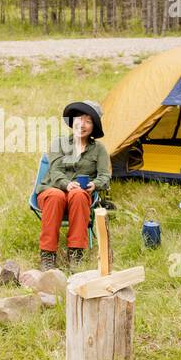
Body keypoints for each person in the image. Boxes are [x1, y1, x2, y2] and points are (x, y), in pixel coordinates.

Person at [35, 100, 111, 271]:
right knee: (56, 195)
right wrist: (67, 184)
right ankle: (47, 255)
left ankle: (75, 254)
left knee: (78, 195)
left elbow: (105, 176)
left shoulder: (99, 149)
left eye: (88, 121)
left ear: (93, 127)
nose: (82, 124)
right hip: (52, 191)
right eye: (79, 118)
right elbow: (55, 171)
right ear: (73, 120)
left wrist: (94, 184)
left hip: (79, 199)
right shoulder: (58, 143)